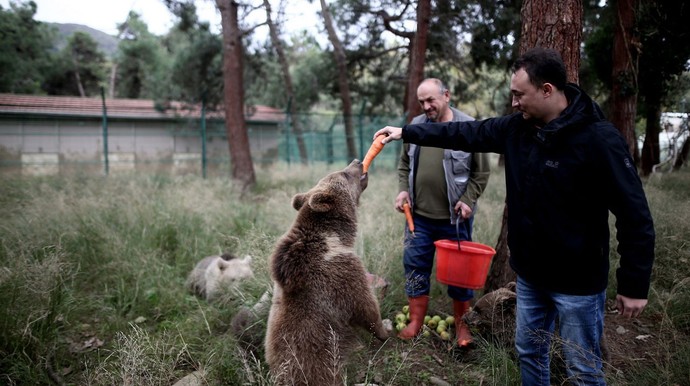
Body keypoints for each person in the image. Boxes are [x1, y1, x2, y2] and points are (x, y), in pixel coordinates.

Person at [375, 48, 655, 385]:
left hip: (577, 283)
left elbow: (634, 214)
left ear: (548, 89)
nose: (514, 103)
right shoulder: (517, 129)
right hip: (531, 277)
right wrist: (407, 132)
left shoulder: (599, 140)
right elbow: (466, 133)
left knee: (583, 368)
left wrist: (634, 284)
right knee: (530, 354)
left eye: (519, 94)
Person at [395, 78, 490, 349]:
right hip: (419, 219)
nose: (426, 106)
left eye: (431, 100)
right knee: (415, 267)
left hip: (455, 221)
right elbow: (404, 165)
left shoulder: (468, 127)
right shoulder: (415, 126)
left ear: (446, 95)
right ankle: (415, 321)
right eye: (422, 102)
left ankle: (462, 325)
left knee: (461, 276)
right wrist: (403, 191)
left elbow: (481, 172)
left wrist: (469, 199)